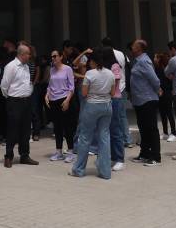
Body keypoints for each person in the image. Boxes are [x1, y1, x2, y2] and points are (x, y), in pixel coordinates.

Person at [68, 49, 116, 179]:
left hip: (92, 106)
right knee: (104, 137)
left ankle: (79, 169)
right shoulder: (110, 74)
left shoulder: (90, 73)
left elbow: (84, 93)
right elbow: (112, 93)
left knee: (84, 137)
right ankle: (105, 171)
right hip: (107, 106)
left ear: (93, 61)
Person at [0, 42, 38, 167]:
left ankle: (24, 155)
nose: (30, 56)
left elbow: (27, 82)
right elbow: (4, 86)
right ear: (22, 54)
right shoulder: (11, 66)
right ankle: (8, 156)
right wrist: (10, 98)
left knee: (26, 129)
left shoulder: (26, 66)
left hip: (26, 100)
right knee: (13, 129)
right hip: (14, 101)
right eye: (28, 54)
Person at [128, 39, 161, 166]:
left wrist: (158, 89)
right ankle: (145, 153)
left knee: (151, 128)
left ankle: (155, 156)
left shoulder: (144, 61)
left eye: (134, 46)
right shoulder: (137, 61)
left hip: (147, 99)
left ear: (139, 49)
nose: (132, 47)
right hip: (139, 100)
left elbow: (155, 80)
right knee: (143, 128)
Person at [45, 47, 77, 162]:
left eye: (55, 56)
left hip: (64, 99)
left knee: (67, 127)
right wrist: (46, 95)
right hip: (53, 100)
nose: (53, 58)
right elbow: (50, 85)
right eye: (52, 56)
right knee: (57, 127)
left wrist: (67, 100)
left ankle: (71, 152)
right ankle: (58, 151)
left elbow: (71, 87)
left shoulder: (67, 69)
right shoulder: (52, 70)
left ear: (61, 57)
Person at [105, 37, 130, 172]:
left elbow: (115, 84)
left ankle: (119, 158)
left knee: (116, 128)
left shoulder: (114, 66)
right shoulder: (122, 55)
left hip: (115, 97)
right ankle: (114, 157)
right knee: (112, 128)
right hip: (115, 95)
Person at [155, 49, 176, 142]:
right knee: (162, 113)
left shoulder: (168, 69)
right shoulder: (157, 69)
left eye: (156, 58)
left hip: (167, 92)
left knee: (169, 113)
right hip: (160, 93)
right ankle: (165, 132)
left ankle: (173, 133)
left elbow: (171, 81)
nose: (155, 59)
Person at [30, 45, 50, 142]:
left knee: (35, 110)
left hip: (34, 87)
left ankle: (36, 133)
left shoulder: (35, 60)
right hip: (24, 88)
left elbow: (37, 72)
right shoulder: (21, 61)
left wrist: (34, 83)